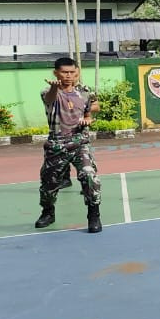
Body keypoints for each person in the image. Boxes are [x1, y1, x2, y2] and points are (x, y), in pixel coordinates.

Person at [35, 56, 103, 233]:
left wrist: (88, 120)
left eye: (72, 72)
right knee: (49, 184)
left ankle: (93, 215)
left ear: (77, 73)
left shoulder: (85, 93)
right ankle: (48, 212)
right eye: (64, 72)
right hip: (57, 145)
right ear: (56, 73)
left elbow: (90, 111)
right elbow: (50, 98)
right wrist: (54, 87)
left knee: (89, 175)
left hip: (80, 143)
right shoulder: (49, 92)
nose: (69, 76)